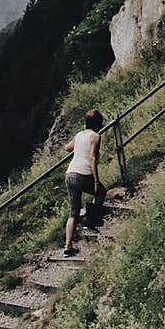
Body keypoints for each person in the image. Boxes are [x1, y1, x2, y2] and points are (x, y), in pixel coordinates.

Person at [63, 108, 107, 256]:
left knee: (73, 212)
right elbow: (93, 158)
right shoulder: (95, 136)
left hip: (70, 174)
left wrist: (78, 147)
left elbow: (67, 148)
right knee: (100, 192)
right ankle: (90, 221)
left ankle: (68, 246)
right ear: (98, 123)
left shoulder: (79, 135)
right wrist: (96, 180)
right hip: (83, 173)